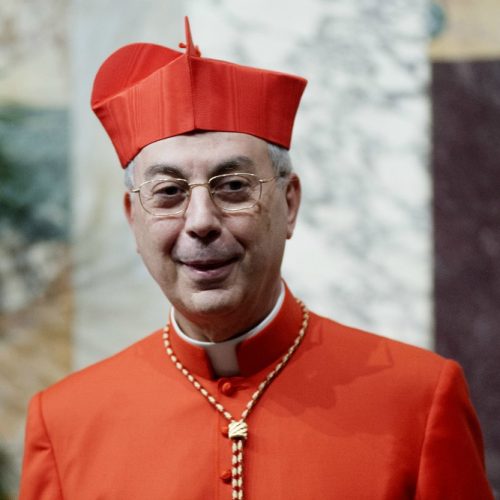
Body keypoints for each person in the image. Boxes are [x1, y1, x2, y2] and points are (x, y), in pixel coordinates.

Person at [20, 17, 493, 500]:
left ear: (289, 203)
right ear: (132, 218)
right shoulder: (66, 423)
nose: (200, 221)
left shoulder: (417, 400)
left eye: (233, 186)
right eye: (169, 192)